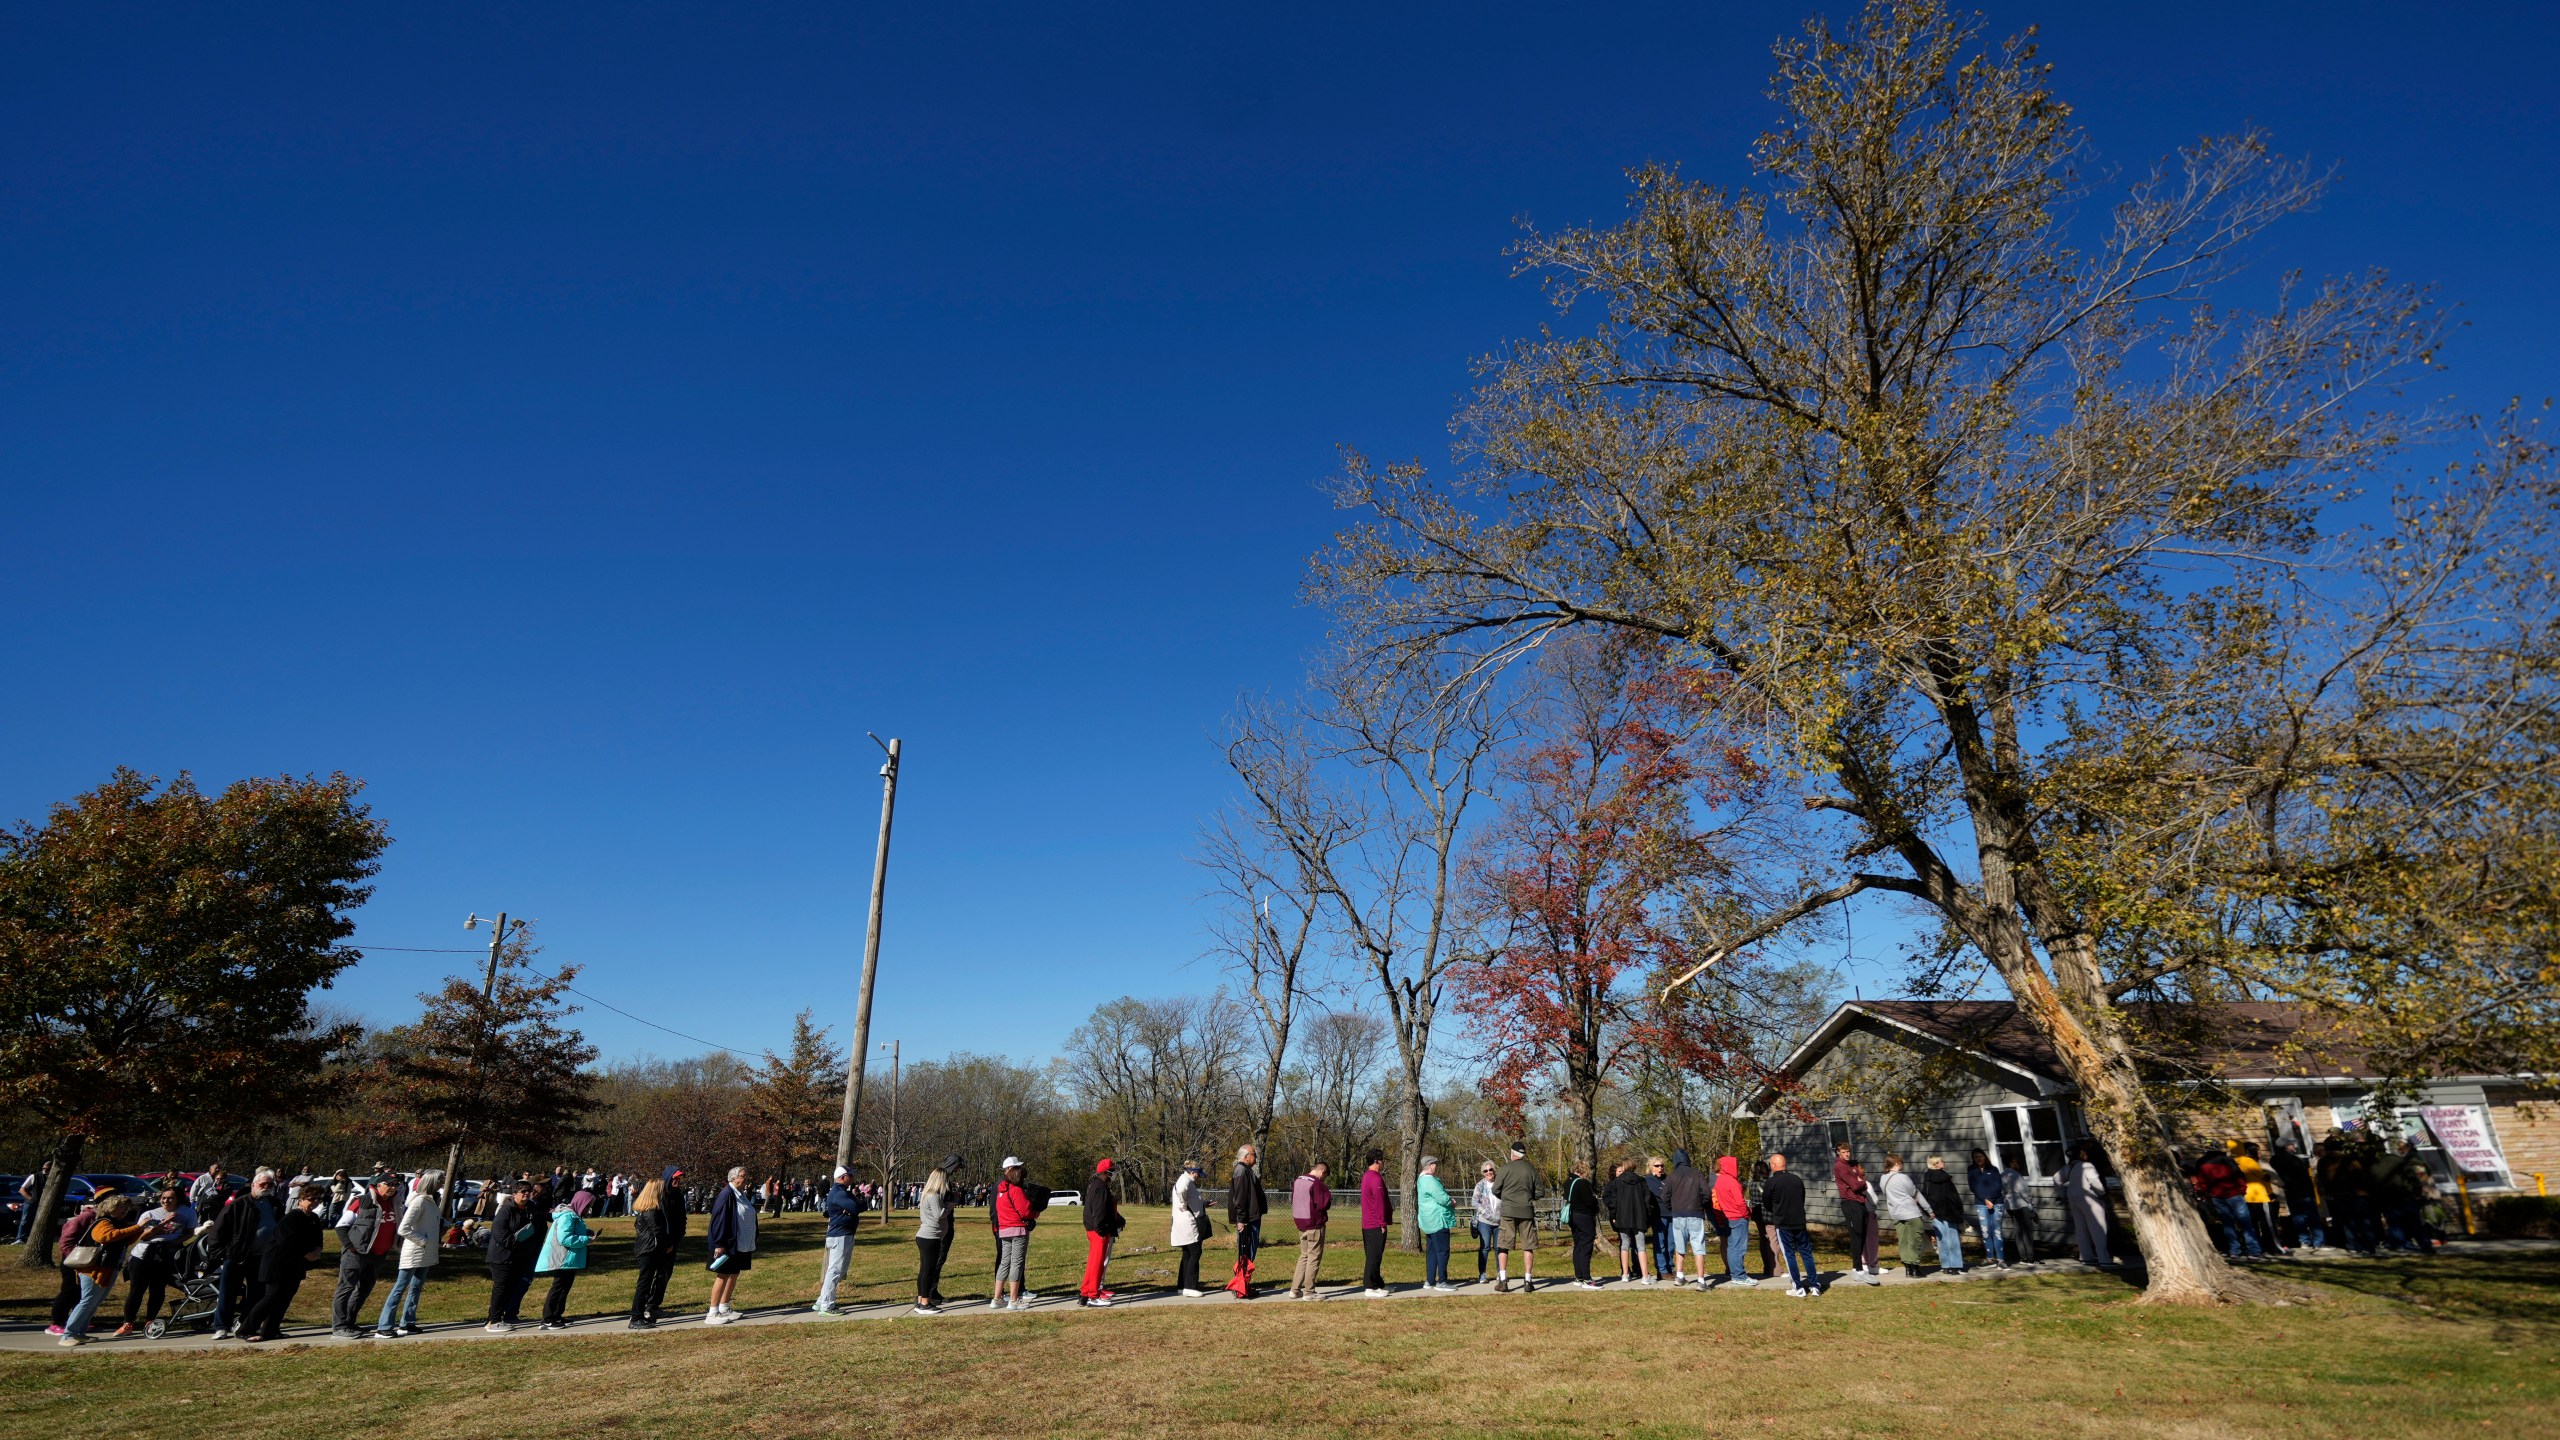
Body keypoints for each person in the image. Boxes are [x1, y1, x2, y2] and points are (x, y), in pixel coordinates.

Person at [58, 1193, 160, 1347]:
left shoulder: (119, 1223)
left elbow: (126, 1239)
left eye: (127, 1208)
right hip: (93, 1269)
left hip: (108, 1268)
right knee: (87, 1301)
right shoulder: (103, 1222)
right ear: (110, 1207)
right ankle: (68, 1335)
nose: (125, 1210)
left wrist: (140, 1230)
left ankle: (79, 1333)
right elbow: (106, 1237)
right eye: (121, 1207)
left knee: (94, 1302)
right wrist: (137, 1227)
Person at [243, 1183, 329, 1343]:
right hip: (278, 1263)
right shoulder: (292, 1217)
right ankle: (246, 1329)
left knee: (285, 1298)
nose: (315, 1201)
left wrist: (317, 1250)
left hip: (295, 1265)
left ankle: (271, 1330)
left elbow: (318, 1238)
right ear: (302, 1199)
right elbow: (286, 1241)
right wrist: (306, 1253)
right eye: (312, 1198)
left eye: (318, 1199)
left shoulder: (314, 1218)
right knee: (271, 1297)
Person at [114, 1181, 195, 1336]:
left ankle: (150, 1322)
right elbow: (143, 1236)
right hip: (144, 1254)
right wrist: (165, 1222)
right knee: (137, 1290)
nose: (166, 1201)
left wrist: (175, 1243)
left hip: (166, 1254)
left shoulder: (188, 1213)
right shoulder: (150, 1214)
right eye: (163, 1198)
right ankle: (128, 1324)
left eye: (170, 1198)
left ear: (178, 1199)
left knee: (157, 1290)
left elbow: (190, 1232)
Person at [208, 1167, 280, 1339]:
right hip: (237, 1256)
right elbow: (217, 1232)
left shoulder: (275, 1204)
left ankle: (244, 1322)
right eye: (263, 1184)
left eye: (270, 1184)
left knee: (256, 1293)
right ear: (254, 1185)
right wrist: (221, 1253)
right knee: (228, 1292)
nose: (266, 1187)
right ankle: (221, 1326)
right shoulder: (239, 1204)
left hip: (261, 1257)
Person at [331, 1172, 403, 1338]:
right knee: (346, 1288)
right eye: (390, 1184)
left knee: (364, 1289)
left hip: (378, 1254)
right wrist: (351, 1247)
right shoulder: (363, 1201)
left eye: (396, 1185)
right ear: (378, 1185)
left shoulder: (395, 1204)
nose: (393, 1188)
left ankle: (349, 1322)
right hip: (356, 1253)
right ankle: (339, 1327)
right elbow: (341, 1226)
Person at [375, 1168, 443, 1338]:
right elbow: (404, 1228)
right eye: (440, 1180)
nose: (442, 1183)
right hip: (414, 1251)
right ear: (432, 1182)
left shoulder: (431, 1201)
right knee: (400, 1287)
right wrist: (424, 1241)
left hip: (426, 1253)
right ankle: (384, 1326)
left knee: (416, 1288)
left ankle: (407, 1323)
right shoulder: (419, 1200)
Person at [484, 1179, 543, 1332]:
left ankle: (493, 1317)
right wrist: (517, 1246)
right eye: (523, 1192)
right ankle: (494, 1321)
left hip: (520, 1256)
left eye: (528, 1191)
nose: (526, 1194)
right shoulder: (506, 1210)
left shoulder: (531, 1208)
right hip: (502, 1256)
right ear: (514, 1194)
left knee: (510, 1288)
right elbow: (500, 1234)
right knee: (501, 1287)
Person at [533, 1187, 592, 1330]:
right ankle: (547, 1319)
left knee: (565, 1287)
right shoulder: (567, 1216)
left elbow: (572, 1233)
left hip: (569, 1259)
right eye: (587, 1206)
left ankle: (557, 1314)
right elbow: (565, 1238)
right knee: (558, 1287)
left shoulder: (574, 1217)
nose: (588, 1209)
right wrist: (586, 1239)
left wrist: (586, 1233)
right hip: (563, 1258)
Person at [704, 1166, 756, 1324]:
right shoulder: (727, 1194)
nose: (745, 1179)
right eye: (742, 1176)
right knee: (723, 1274)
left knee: (734, 1273)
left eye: (746, 1176)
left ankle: (724, 1306)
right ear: (733, 1178)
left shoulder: (741, 1194)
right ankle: (712, 1312)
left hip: (740, 1242)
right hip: (726, 1243)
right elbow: (719, 1220)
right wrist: (719, 1243)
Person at [991, 1157, 1044, 1311]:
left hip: (1004, 1229)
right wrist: (1035, 1213)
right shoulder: (1016, 1190)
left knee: (1004, 1262)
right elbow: (1025, 1210)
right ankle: (1014, 1299)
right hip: (1017, 1230)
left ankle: (997, 1298)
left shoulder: (1001, 1190)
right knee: (1017, 1263)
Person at [1764, 1153, 1817, 1296]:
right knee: (1807, 1254)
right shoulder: (1797, 1180)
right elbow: (1802, 1198)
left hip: (1783, 1223)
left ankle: (1798, 1287)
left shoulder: (1771, 1182)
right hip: (1799, 1221)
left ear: (1774, 1165)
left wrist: (1777, 1211)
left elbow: (1767, 1203)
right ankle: (1814, 1284)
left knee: (1789, 1255)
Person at [1075, 1157, 1124, 1307]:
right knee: (1097, 1263)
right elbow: (1099, 1211)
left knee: (1092, 1263)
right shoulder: (1101, 1188)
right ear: (1105, 1173)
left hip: (1094, 1230)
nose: (1113, 1174)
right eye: (1112, 1172)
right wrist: (1102, 1229)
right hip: (1099, 1231)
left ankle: (1085, 1293)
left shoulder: (1096, 1186)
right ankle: (1093, 1296)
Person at [2194, 1145, 2257, 1259]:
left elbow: (2202, 1181)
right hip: (2234, 1194)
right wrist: (2242, 1190)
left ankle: (2234, 1251)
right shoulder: (2227, 1160)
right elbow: (2239, 1176)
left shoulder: (2201, 1162)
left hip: (2217, 1196)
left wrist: (2207, 1193)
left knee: (2228, 1225)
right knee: (2245, 1223)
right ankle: (2253, 1251)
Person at [1493, 1141, 1540, 1293]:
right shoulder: (1531, 1169)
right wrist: (1527, 1198)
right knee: (1528, 1246)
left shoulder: (1505, 1169)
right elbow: (1540, 1192)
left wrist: (1506, 1197)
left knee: (1504, 1245)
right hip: (1526, 1211)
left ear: (1513, 1153)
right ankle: (1528, 1281)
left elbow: (1495, 1189)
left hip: (1508, 1211)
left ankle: (1503, 1280)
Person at [814, 1166, 862, 1314]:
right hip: (840, 1236)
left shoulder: (841, 1192)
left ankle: (821, 1301)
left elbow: (860, 1205)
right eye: (850, 1175)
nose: (853, 1178)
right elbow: (856, 1207)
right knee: (835, 1271)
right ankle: (827, 1305)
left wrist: (853, 1207)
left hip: (842, 1235)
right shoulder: (839, 1193)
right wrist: (852, 1207)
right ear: (843, 1177)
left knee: (835, 1270)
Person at [915, 1159, 960, 1313]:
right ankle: (925, 1303)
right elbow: (939, 1214)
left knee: (924, 1270)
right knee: (928, 1270)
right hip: (930, 1236)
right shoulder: (933, 1195)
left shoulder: (927, 1194)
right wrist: (949, 1206)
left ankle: (921, 1300)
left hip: (926, 1236)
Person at [1663, 1148, 1712, 1287]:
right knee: (1698, 1247)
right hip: (1695, 1214)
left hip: (1678, 1215)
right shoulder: (1696, 1173)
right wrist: (1700, 1204)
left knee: (1680, 1247)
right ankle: (1701, 1280)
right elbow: (1707, 1193)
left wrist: (1673, 1208)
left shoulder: (1672, 1176)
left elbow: (1664, 1196)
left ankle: (1679, 1275)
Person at [1833, 1145, 1882, 1285]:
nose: (1847, 1154)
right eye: (1843, 1152)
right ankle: (1858, 1270)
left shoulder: (1852, 1164)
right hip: (1850, 1204)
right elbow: (1855, 1185)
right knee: (1856, 1236)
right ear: (1838, 1153)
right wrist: (1863, 1183)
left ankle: (1858, 1268)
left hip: (1860, 1202)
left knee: (1862, 1235)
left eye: (1848, 1151)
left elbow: (1858, 1179)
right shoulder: (1840, 1166)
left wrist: (1860, 1182)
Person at [1604, 1159, 1656, 1284]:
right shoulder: (1641, 1181)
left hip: (1623, 1218)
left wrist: (1614, 1215)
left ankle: (1625, 1274)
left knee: (1624, 1246)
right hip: (1639, 1218)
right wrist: (1647, 1217)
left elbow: (1613, 1201)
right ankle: (1645, 1276)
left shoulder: (1617, 1182)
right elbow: (1647, 1201)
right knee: (1641, 1247)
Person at [2062, 1142, 2112, 1266]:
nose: (2086, 1154)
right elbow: (2095, 1182)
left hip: (2073, 1199)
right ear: (2080, 1154)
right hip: (2090, 1199)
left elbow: (2056, 1179)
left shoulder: (2069, 1167)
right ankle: (2104, 1258)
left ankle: (2086, 1256)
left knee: (2081, 1228)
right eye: (2083, 1152)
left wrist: (2061, 1194)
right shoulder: (2087, 1166)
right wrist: (2101, 1193)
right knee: (2098, 1228)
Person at [1227, 1144, 1267, 1299]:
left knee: (1249, 1253)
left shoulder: (1246, 1170)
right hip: (1248, 1220)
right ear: (1246, 1156)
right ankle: (1241, 1287)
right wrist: (1242, 1220)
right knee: (1246, 1254)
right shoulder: (1241, 1171)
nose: (1255, 1157)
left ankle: (1245, 1284)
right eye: (1254, 1154)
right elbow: (1240, 1199)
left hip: (1251, 1218)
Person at [1710, 1155, 1757, 1288]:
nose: (1737, 1167)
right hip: (1737, 1217)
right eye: (1735, 1165)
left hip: (1728, 1217)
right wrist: (1745, 1214)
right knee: (1739, 1248)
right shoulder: (1732, 1181)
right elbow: (1740, 1201)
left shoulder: (1720, 1181)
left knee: (1732, 1247)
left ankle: (1734, 1273)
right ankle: (1739, 1276)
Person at [1879, 1154, 1929, 1277]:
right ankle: (1915, 1269)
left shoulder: (1883, 1179)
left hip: (1896, 1213)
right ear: (1896, 1164)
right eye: (1901, 1162)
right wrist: (1929, 1209)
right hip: (1910, 1212)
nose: (1902, 1164)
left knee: (1903, 1242)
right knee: (1915, 1241)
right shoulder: (1903, 1177)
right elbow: (1915, 1194)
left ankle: (1908, 1269)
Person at [1289, 1160, 1332, 1300]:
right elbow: (1323, 1204)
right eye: (1324, 1176)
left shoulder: (1298, 1180)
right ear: (1322, 1171)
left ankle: (1295, 1289)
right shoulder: (1317, 1183)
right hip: (1314, 1225)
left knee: (1304, 1256)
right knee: (1314, 1258)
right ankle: (1309, 1292)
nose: (1323, 1178)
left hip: (1301, 1224)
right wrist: (1326, 1191)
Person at [1920, 1156, 1969, 1274]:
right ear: (1936, 1164)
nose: (1944, 1162)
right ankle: (1956, 1265)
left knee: (1941, 1240)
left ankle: (1946, 1266)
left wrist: (1928, 1211)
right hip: (1949, 1211)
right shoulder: (1945, 1177)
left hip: (1935, 1213)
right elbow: (1953, 1196)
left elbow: (1925, 1195)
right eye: (1941, 1161)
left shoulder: (1927, 1177)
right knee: (1952, 1239)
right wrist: (1959, 1209)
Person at [2270, 1139, 2322, 1250]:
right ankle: (2318, 1241)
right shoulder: (2294, 1160)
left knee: (2297, 1218)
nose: (2295, 1147)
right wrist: (2312, 1191)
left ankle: (2304, 1241)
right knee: (2312, 1216)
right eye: (2292, 1145)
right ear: (2287, 1146)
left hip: (2290, 1192)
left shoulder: (2274, 1160)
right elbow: (2304, 1177)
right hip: (2303, 1191)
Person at [1171, 1159, 1211, 1297]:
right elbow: (1182, 1192)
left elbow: (1192, 1199)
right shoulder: (1185, 1181)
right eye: (1198, 1174)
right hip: (1188, 1223)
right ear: (1193, 1172)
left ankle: (1182, 1286)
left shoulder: (1184, 1179)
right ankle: (1190, 1287)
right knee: (1195, 1252)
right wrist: (1182, 1203)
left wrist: (1204, 1203)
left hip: (1183, 1222)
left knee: (1187, 1253)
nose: (1199, 1176)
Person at [1359, 1149, 1396, 1297]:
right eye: (1382, 1160)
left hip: (1368, 1223)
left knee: (1375, 1255)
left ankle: (1378, 1283)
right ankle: (1370, 1287)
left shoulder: (1367, 1176)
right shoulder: (1375, 1178)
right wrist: (1382, 1222)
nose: (1383, 1162)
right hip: (1375, 1223)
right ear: (1376, 1161)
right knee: (1373, 1256)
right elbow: (1379, 1202)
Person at [1417, 1156, 1456, 1291]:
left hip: (1428, 1221)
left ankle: (1430, 1280)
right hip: (1438, 1220)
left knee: (1432, 1251)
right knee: (1443, 1251)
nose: (1436, 1167)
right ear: (1429, 1165)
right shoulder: (1430, 1181)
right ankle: (1442, 1281)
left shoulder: (1420, 1180)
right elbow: (1442, 1198)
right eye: (1434, 1164)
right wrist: (1452, 1201)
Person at [1966, 1149, 2008, 1266]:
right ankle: (1990, 1258)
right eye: (1976, 1157)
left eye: (1980, 1156)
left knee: (1997, 1231)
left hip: (1997, 1203)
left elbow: (1998, 1186)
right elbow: (1973, 1187)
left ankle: (2001, 1260)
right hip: (1981, 1203)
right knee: (1986, 1231)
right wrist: (1985, 1199)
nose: (1978, 1159)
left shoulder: (1993, 1169)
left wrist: (1991, 1200)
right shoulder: (1972, 1170)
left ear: (1985, 1157)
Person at [1562, 1159, 1600, 1289]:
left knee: (1578, 1245)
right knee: (1586, 1246)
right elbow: (1589, 1202)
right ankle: (1586, 1278)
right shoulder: (1582, 1183)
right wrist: (1595, 1201)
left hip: (1573, 1216)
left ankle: (1578, 1276)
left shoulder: (1568, 1182)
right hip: (1584, 1216)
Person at [1997, 1155, 2039, 1263]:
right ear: (2011, 1163)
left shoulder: (2002, 1175)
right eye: (2017, 1161)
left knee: (2018, 1232)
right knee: (2027, 1233)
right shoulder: (2015, 1176)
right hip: (2022, 1205)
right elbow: (2024, 1192)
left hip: (2010, 1206)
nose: (2019, 1164)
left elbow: (2001, 1192)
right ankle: (2030, 1258)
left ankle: (2023, 1257)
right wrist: (2030, 1204)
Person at [1469, 1162, 1501, 1284]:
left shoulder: (1500, 1183)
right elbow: (1475, 1202)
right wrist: (1484, 1212)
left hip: (1499, 1221)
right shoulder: (1480, 1185)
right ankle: (1482, 1274)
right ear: (1483, 1173)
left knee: (1499, 1248)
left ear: (1494, 1170)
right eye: (1486, 1171)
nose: (1489, 1172)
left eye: (1490, 1169)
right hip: (1484, 1221)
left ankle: (1501, 1272)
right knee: (1485, 1247)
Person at [1643, 1154, 1673, 1280]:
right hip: (1659, 1215)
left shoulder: (1667, 1178)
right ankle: (1662, 1269)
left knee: (1671, 1243)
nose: (1660, 1168)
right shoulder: (1649, 1179)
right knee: (1660, 1243)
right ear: (1651, 1167)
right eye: (1657, 1166)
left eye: (1662, 1165)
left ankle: (1670, 1267)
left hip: (1671, 1214)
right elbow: (1661, 1194)